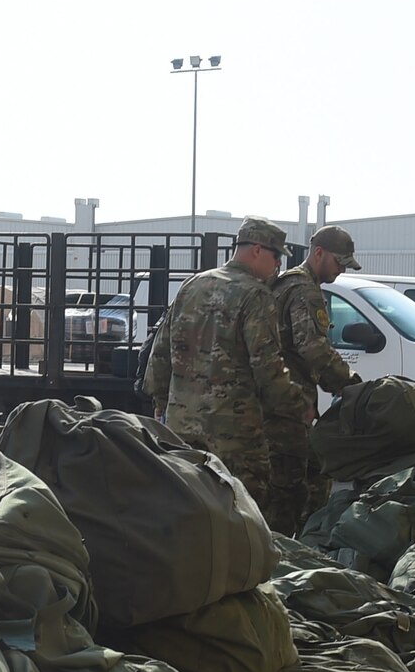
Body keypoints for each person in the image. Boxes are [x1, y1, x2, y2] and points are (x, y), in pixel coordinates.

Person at [143, 217, 310, 506]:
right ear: (257, 250)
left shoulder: (192, 285)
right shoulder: (255, 295)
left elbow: (161, 351)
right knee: (242, 512)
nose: (277, 266)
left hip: (182, 428)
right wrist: (298, 407)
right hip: (234, 436)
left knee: (188, 506)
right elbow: (268, 368)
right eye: (275, 257)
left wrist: (160, 402)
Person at [268, 224, 361, 534]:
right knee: (305, 484)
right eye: (338, 263)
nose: (340, 271)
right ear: (318, 253)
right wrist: (352, 387)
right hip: (289, 406)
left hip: (279, 399)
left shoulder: (286, 284)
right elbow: (314, 350)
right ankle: (301, 550)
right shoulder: (305, 290)